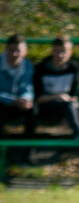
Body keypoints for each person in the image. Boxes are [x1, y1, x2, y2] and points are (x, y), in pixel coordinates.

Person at [33, 35, 79, 169]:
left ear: (70, 53)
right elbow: (38, 98)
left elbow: (74, 96)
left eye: (63, 51)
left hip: (68, 107)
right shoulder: (41, 68)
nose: (60, 55)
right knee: (68, 105)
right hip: (46, 108)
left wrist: (69, 112)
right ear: (52, 51)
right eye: (57, 51)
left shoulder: (73, 68)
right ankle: (78, 131)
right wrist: (57, 97)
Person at [0, 34, 36, 164]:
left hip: (18, 104)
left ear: (24, 52)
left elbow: (27, 86)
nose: (15, 54)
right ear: (6, 50)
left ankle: (27, 153)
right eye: (11, 50)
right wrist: (13, 100)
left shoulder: (28, 66)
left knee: (33, 111)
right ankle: (3, 155)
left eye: (18, 51)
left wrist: (26, 99)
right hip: (3, 104)